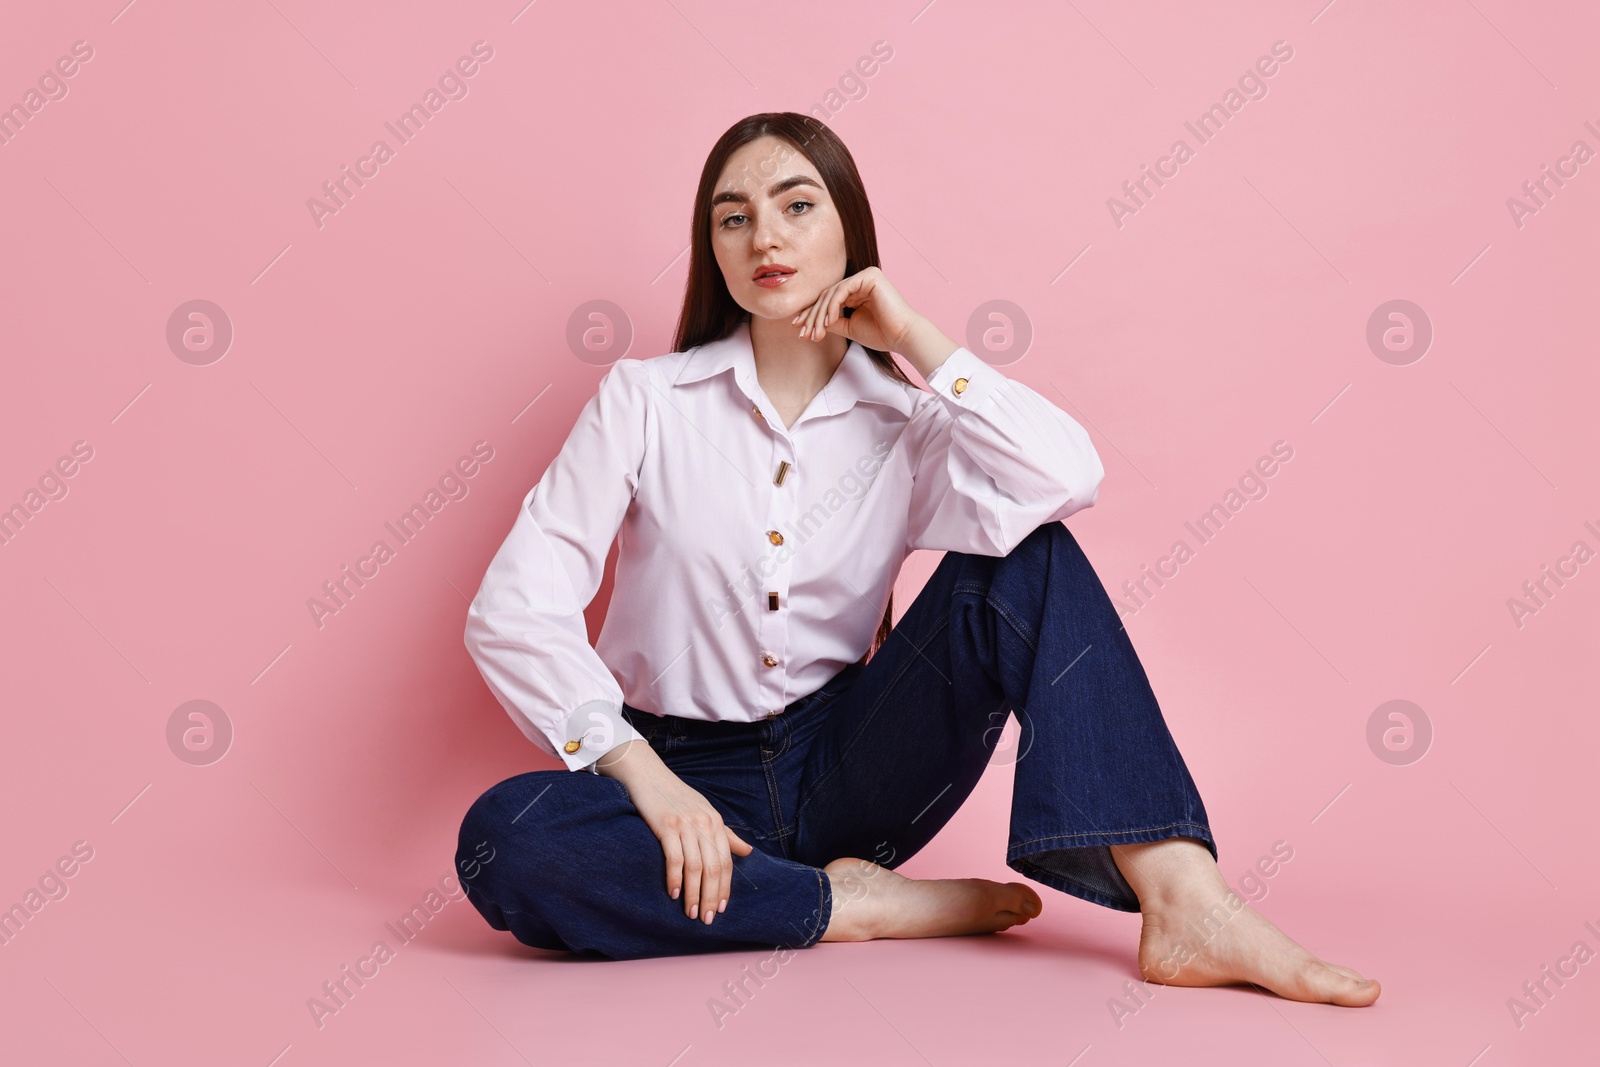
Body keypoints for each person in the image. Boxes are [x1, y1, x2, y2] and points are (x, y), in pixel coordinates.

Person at [455, 112, 1379, 1006]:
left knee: (1029, 560)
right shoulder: (647, 401)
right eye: (732, 217)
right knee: (507, 838)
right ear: (713, 249)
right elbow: (514, 609)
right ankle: (845, 905)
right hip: (680, 781)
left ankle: (1187, 901)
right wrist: (646, 779)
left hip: (852, 765)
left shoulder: (906, 424)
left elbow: (1066, 475)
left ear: (849, 226)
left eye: (797, 205)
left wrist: (914, 341)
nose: (763, 235)